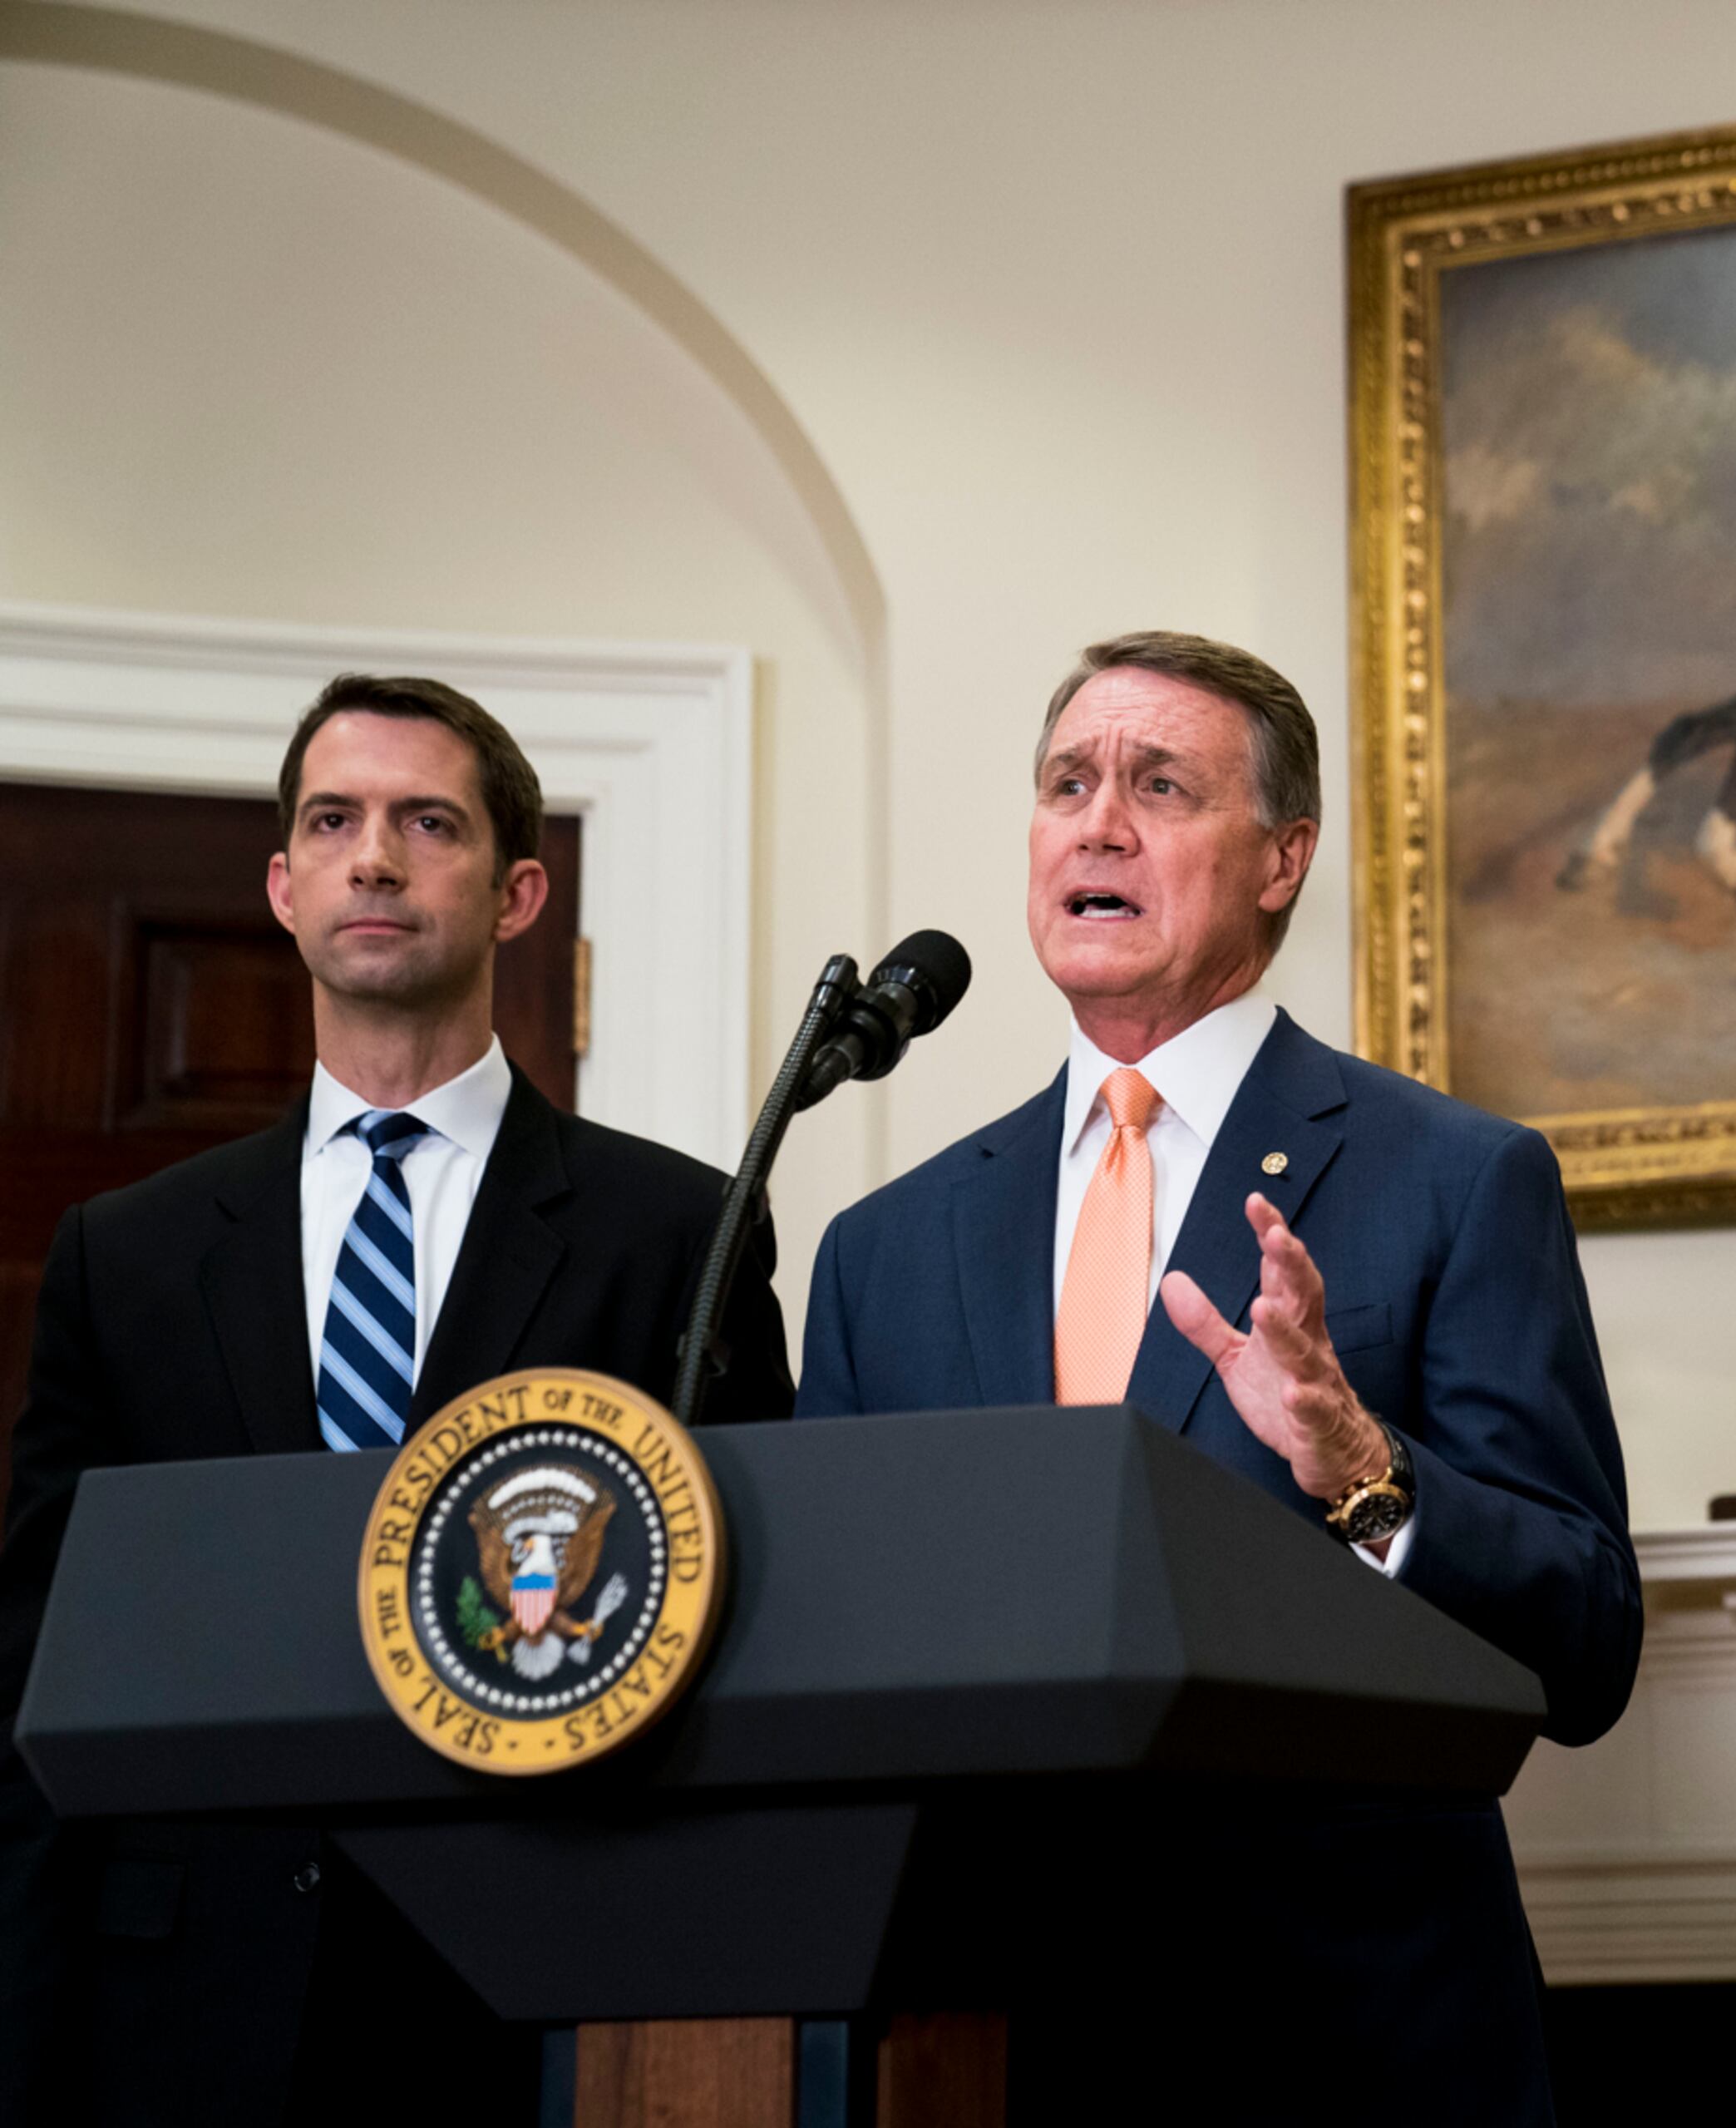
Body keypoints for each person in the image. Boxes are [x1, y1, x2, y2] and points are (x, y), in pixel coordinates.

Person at [796, 629, 1640, 2125]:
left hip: (1345, 2032)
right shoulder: (886, 1246)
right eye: (1068, 783)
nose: (1098, 824)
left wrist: (1364, 1466)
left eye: (1162, 786)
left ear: (1282, 858)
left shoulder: (1456, 1178)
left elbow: (1586, 1644)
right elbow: (833, 1649)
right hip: (981, 2028)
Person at [0, 675, 794, 2126]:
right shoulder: (129, 1255)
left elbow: (745, 1664)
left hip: (532, 1985)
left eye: (427, 821)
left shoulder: (676, 1232)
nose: (372, 856)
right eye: (332, 820)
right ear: (283, 886)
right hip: (175, 2008)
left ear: (517, 892)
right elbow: (41, 1676)